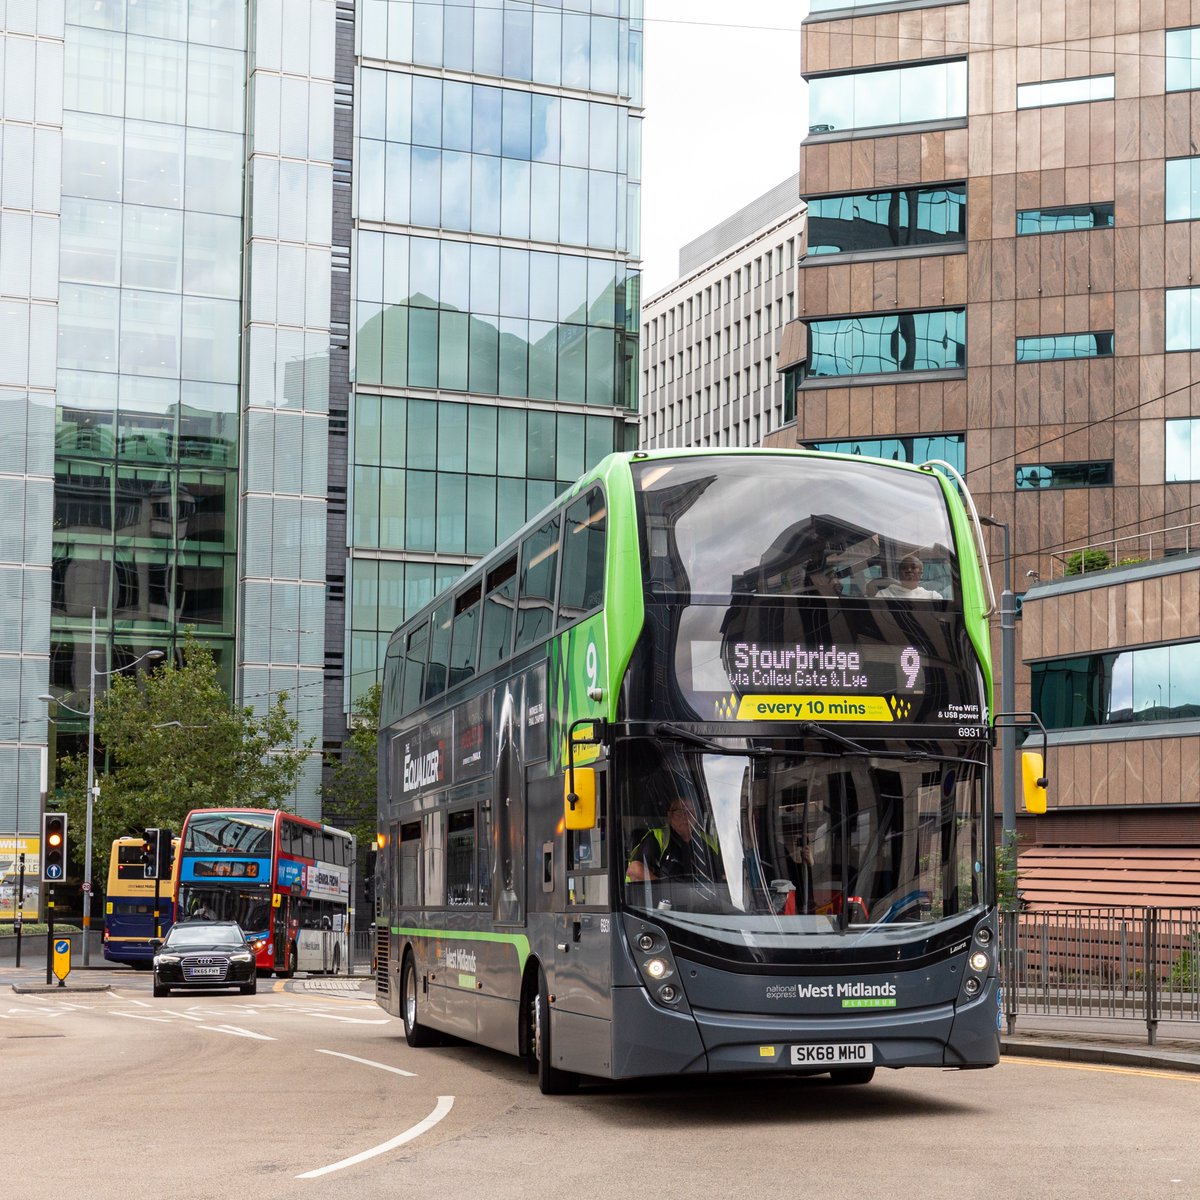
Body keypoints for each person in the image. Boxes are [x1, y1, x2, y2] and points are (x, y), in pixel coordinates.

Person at [626, 796, 722, 883]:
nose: (686, 817)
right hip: (666, 900)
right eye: (680, 812)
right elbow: (635, 870)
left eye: (690, 812)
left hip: (707, 898)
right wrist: (664, 890)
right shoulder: (658, 837)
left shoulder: (710, 842)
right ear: (670, 815)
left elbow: (725, 873)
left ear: (696, 816)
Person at [871, 554, 941, 599]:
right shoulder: (883, 595)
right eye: (904, 568)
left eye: (913, 567)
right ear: (899, 574)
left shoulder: (933, 597)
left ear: (921, 574)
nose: (909, 570)